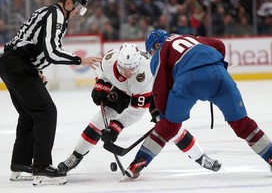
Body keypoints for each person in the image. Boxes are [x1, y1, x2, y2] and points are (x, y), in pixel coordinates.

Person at [124, 29, 272, 179]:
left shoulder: (160, 52)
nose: (152, 54)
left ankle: (139, 162)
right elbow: (219, 45)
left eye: (152, 50)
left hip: (188, 81)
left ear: (157, 45)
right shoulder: (189, 38)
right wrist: (220, 66)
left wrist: (161, 113)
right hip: (219, 75)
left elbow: (160, 86)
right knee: (242, 123)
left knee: (169, 127)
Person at [57, 43, 221, 174]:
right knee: (99, 120)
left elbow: (136, 111)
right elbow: (105, 74)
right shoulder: (108, 59)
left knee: (169, 126)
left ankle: (200, 157)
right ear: (118, 62)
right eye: (125, 68)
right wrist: (101, 87)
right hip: (123, 91)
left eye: (132, 68)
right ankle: (75, 156)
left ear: (137, 65)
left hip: (153, 91)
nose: (129, 72)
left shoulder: (144, 74)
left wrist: (115, 127)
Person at [0, 0, 101, 186]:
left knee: (29, 114)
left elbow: (30, 43)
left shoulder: (52, 14)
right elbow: (51, 52)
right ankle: (42, 168)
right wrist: (79, 60)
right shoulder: (55, 14)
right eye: (79, 7)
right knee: (46, 111)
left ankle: (20, 164)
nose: (79, 12)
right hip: (17, 66)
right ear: (69, 2)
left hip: (12, 64)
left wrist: (36, 70)